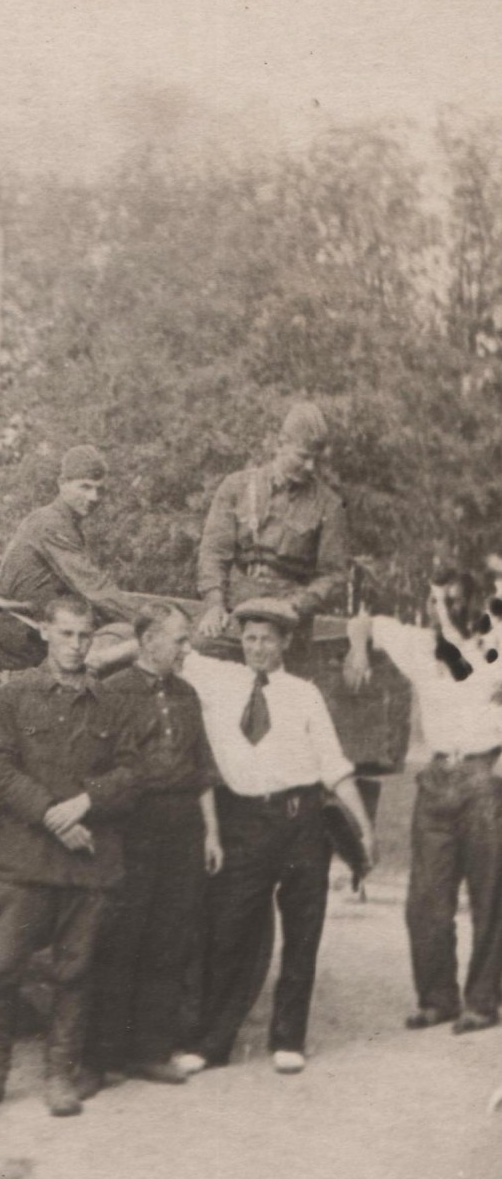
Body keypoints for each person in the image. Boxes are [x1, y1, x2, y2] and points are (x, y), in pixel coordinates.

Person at [175, 598, 377, 1075]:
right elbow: (172, 641)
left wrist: (365, 831)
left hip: (302, 820)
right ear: (239, 641)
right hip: (244, 821)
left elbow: (333, 766)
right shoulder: (217, 679)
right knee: (229, 932)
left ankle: (289, 1039)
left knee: (303, 930)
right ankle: (211, 1044)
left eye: (267, 639)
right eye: (250, 639)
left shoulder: (304, 694)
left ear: (285, 642)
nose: (258, 648)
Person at [0, 594, 138, 1118]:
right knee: (1, 969)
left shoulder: (112, 703)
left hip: (89, 863)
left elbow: (131, 775)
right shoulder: (13, 697)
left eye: (85, 636)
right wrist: (53, 815)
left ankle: (60, 1075)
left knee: (75, 973)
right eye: (66, 634)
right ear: (45, 632)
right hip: (28, 859)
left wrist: (87, 802)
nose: (75, 645)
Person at [345, 572, 502, 1034]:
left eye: (451, 601)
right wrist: (358, 649)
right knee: (426, 900)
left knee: (490, 897)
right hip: (436, 780)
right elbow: (364, 622)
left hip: (485, 779)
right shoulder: (421, 644)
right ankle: (437, 999)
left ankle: (483, 1000)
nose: (442, 610)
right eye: (435, 601)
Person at [83, 602, 223, 1086]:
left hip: (183, 825)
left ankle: (149, 1049)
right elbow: (97, 772)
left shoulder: (186, 694)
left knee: (169, 939)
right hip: (131, 825)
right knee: (120, 938)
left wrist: (211, 833)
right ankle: (100, 1058)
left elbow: (202, 766)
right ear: (148, 641)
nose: (188, 648)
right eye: (180, 640)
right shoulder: (112, 693)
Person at [0, 445, 138, 671]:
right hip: (21, 634)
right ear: (62, 483)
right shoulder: (50, 523)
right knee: (120, 646)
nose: (94, 497)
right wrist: (148, 624)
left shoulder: (65, 523)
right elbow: (94, 587)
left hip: (32, 628)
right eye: (85, 487)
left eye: (99, 490)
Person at [196, 402, 350, 655]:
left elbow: (333, 575)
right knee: (198, 650)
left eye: (316, 459)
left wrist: (297, 606)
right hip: (238, 609)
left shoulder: (329, 505)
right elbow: (213, 554)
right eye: (303, 456)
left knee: (286, 678)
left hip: (288, 616)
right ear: (281, 444)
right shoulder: (236, 487)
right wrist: (214, 605)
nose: (311, 466)